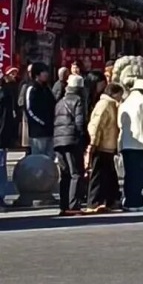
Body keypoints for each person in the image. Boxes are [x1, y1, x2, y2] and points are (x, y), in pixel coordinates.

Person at [118, 71, 143, 211]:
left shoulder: (125, 101)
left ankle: (128, 200)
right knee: (138, 175)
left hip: (126, 142)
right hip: (139, 143)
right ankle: (136, 203)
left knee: (129, 174)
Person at [86, 82, 124, 213]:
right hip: (102, 145)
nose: (120, 97)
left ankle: (110, 200)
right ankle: (94, 202)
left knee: (109, 175)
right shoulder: (105, 104)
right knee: (98, 175)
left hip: (108, 145)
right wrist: (93, 143)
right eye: (120, 94)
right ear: (114, 94)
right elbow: (96, 125)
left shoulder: (111, 104)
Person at [53, 74, 88, 215]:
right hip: (72, 140)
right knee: (76, 173)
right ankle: (73, 205)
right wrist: (83, 139)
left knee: (65, 174)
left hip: (58, 140)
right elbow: (80, 122)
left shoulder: (60, 101)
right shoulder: (78, 100)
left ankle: (63, 205)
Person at [25, 63, 55, 159]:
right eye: (43, 72)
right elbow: (29, 109)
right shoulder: (32, 88)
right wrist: (41, 122)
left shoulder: (47, 89)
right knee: (38, 159)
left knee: (50, 158)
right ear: (37, 74)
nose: (46, 74)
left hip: (50, 130)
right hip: (37, 131)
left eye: (46, 71)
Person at [0, 66, 19, 206]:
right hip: (3, 135)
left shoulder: (7, 92)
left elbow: (7, 118)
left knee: (2, 167)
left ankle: (1, 195)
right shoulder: (6, 92)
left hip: (3, 135)